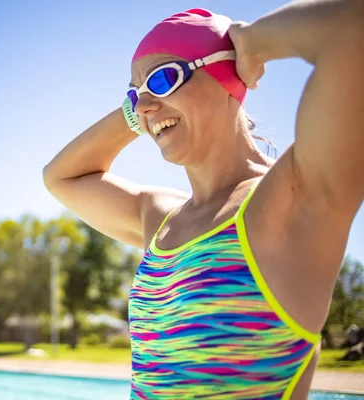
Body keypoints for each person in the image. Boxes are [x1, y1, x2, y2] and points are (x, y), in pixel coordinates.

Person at [43, 0, 364, 399]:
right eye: (133, 93)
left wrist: (252, 43)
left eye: (162, 79)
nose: (143, 104)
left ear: (224, 72)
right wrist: (136, 111)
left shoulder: (289, 198)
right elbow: (59, 177)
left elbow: (352, 28)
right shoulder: (160, 218)